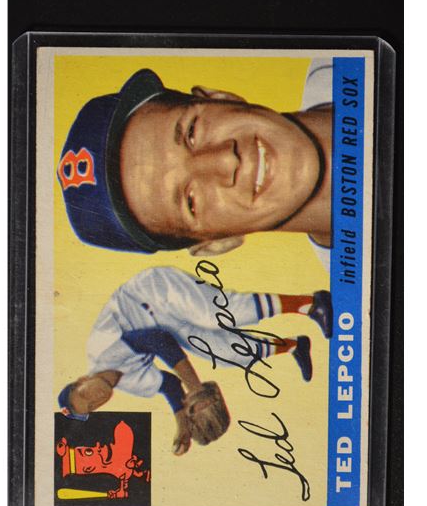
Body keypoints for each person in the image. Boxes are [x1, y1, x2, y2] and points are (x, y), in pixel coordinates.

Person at [56, 62, 333, 266]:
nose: (226, 160)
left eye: (192, 132)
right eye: (191, 201)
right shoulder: (355, 306)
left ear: (219, 97)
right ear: (215, 244)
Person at [57, 266, 333, 455]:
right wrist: (182, 426)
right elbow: (169, 385)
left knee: (216, 315)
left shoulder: (100, 350)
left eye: (85, 395)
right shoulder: (128, 385)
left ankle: (311, 304)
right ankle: (294, 346)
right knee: (224, 354)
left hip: (151, 293)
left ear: (81, 380)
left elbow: (157, 340)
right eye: (93, 406)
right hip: (162, 323)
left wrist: (196, 389)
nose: (96, 399)